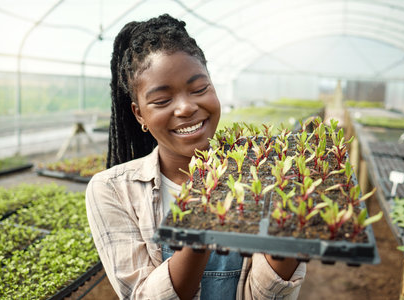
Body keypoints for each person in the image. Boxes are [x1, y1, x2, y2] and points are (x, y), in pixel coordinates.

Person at [86, 14, 306, 300]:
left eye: (200, 89)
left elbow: (267, 295)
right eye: (162, 100)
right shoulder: (112, 189)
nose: (186, 107)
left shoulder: (260, 175)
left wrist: (287, 228)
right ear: (139, 113)